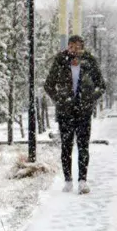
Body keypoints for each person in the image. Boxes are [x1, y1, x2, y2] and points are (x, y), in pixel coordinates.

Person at [43, 34, 106, 194]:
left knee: (83, 146)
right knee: (66, 146)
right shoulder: (60, 60)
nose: (74, 50)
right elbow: (49, 85)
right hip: (66, 111)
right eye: (71, 46)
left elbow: (101, 85)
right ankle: (68, 180)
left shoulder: (89, 61)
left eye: (78, 47)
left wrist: (89, 99)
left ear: (82, 48)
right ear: (68, 46)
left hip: (83, 111)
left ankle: (82, 180)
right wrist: (60, 99)